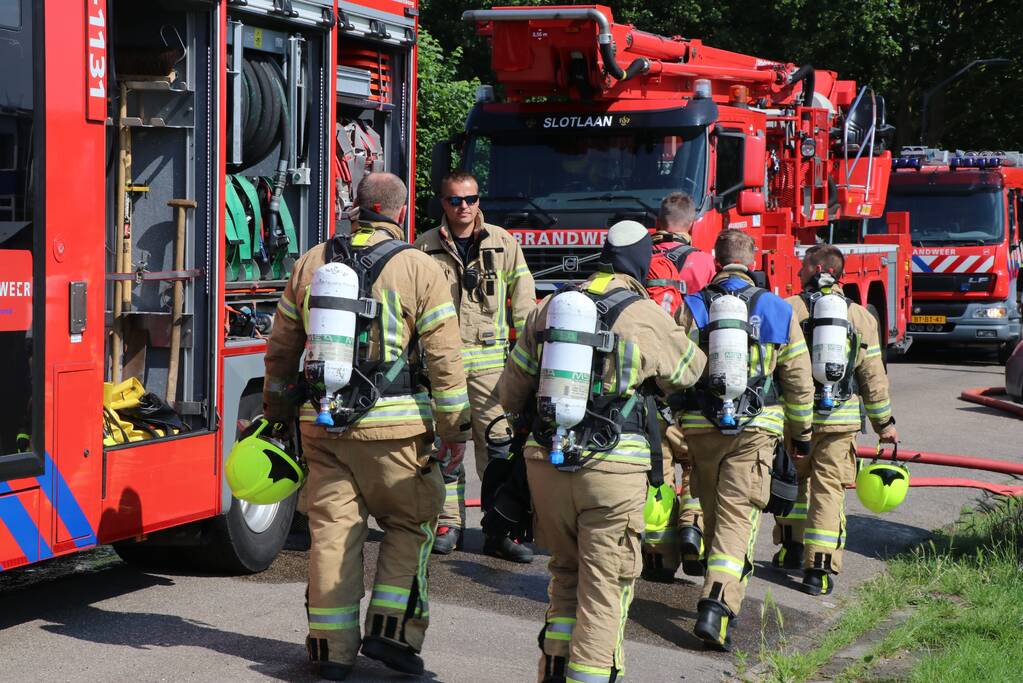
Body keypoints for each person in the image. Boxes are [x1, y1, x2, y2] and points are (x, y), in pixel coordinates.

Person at [263, 172, 471, 680]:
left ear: (358, 206)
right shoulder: (420, 266)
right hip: (397, 432)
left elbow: (283, 347)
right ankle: (392, 632)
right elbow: (445, 357)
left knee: (332, 531)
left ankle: (330, 649)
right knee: (409, 523)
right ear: (400, 213)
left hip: (323, 427)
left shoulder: (313, 261)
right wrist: (454, 431)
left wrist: (278, 412)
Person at [500, 220, 707, 683]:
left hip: (548, 464)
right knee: (605, 587)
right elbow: (691, 371)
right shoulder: (643, 311)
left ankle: (554, 670)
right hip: (612, 469)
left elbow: (510, 393)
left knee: (566, 576)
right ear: (640, 261)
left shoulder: (551, 307)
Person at [674, 229, 814, 650]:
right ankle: (717, 606)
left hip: (700, 429)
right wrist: (802, 434)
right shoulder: (777, 307)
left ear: (717, 261)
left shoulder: (694, 306)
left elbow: (676, 368)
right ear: (753, 260)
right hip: (755, 430)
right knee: (738, 520)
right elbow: (797, 379)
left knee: (715, 514)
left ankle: (713, 579)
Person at [414, 170, 536, 561]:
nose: (464, 206)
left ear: (479, 201)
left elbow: (524, 303)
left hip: (492, 370)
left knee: (499, 448)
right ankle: (448, 523)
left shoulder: (503, 243)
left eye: (471, 199)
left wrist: (530, 364)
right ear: (442, 204)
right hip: (443, 366)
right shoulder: (424, 247)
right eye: (455, 200)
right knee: (447, 446)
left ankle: (499, 529)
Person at [771, 244, 898, 595]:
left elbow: (772, 367)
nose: (798, 272)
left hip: (795, 419)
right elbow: (873, 376)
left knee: (793, 481)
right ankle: (819, 569)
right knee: (828, 491)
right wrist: (884, 424)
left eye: (802, 266)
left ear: (815, 267)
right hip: (840, 422)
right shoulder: (861, 317)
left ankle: (791, 548)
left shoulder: (788, 310)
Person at [642, 192, 718, 581]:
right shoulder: (703, 261)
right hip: (688, 377)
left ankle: (657, 554)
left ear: (658, 221)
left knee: (659, 464)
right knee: (694, 461)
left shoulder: (639, 258)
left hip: (643, 380)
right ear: (690, 224)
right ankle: (693, 525)